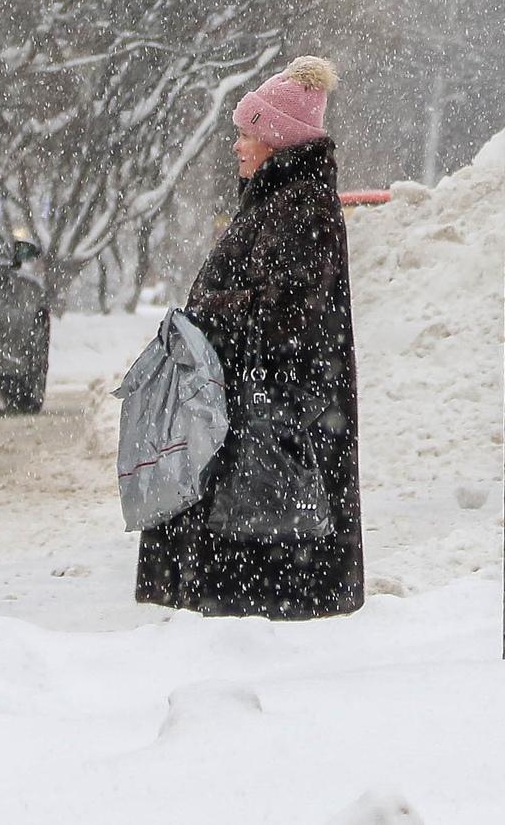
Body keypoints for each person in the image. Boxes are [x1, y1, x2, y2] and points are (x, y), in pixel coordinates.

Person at [135, 57, 364, 620]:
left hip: (272, 409)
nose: (238, 145)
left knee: (261, 561)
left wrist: (209, 316)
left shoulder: (298, 206)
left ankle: (254, 634)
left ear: (276, 140)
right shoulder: (280, 201)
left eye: (248, 133)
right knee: (251, 554)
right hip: (265, 404)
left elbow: (287, 315)